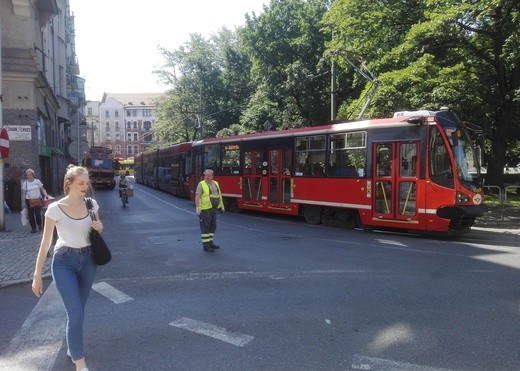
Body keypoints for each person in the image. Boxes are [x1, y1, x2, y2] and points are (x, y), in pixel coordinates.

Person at [32, 165, 103, 371]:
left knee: (78, 312)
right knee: (76, 314)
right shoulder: (54, 209)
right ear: (69, 184)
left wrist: (98, 227)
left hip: (89, 261)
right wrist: (37, 275)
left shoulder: (91, 204)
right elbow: (45, 244)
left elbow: (98, 229)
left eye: (87, 182)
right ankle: (80, 364)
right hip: (64, 262)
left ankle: (73, 347)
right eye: (81, 183)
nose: (85, 186)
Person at [194, 169, 224, 252]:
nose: (207, 177)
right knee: (205, 227)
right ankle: (206, 245)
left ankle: (210, 242)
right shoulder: (201, 184)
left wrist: (222, 206)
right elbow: (197, 196)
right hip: (205, 209)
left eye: (208, 175)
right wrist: (197, 207)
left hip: (213, 208)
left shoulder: (215, 183)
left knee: (213, 226)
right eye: (205, 175)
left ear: (212, 176)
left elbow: (219, 195)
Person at [21, 168, 49, 233]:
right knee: (31, 215)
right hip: (29, 200)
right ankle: (33, 228)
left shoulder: (37, 181)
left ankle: (39, 225)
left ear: (33, 175)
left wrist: (46, 194)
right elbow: (23, 194)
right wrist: (23, 203)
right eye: (28, 175)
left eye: (30, 175)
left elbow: (42, 189)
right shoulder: (25, 184)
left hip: (37, 199)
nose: (29, 176)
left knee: (37, 214)